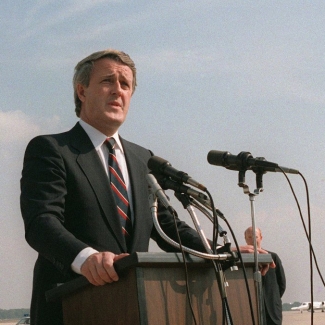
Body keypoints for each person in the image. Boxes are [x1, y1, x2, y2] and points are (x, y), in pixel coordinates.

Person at [20, 48, 273, 325]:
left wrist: (223, 253)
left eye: (125, 84)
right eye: (107, 81)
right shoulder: (52, 149)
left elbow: (168, 228)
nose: (118, 91)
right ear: (82, 91)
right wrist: (86, 258)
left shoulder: (144, 160)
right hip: (71, 309)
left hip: (134, 309)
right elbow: (41, 222)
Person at [244, 227, 286, 325]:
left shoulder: (272, 257)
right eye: (249, 237)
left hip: (272, 310)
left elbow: (282, 284)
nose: (253, 240)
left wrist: (273, 297)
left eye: (256, 237)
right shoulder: (241, 261)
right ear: (245, 239)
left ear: (261, 238)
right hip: (251, 309)